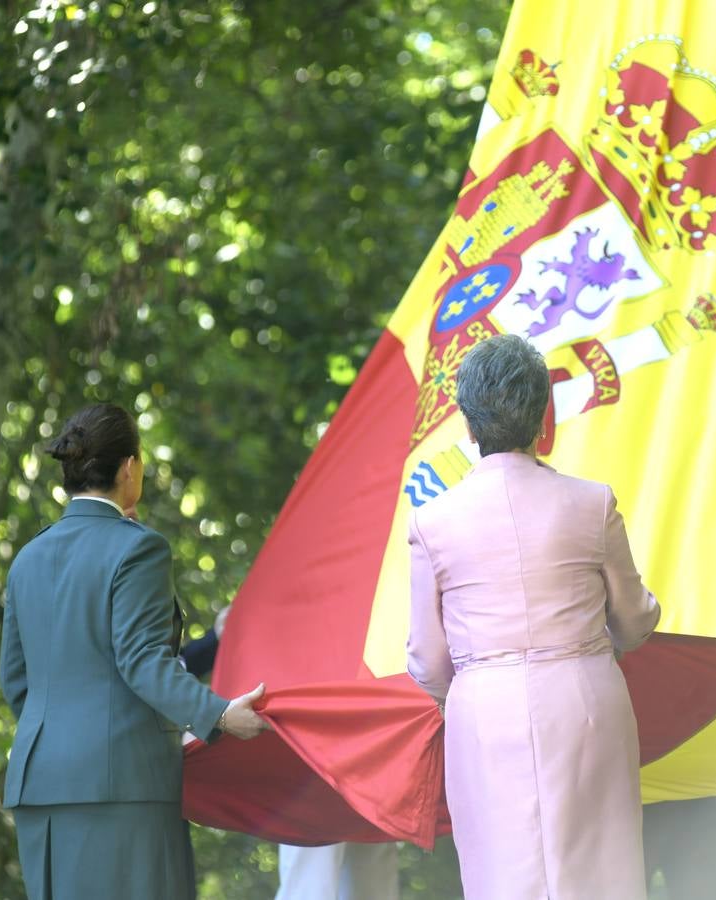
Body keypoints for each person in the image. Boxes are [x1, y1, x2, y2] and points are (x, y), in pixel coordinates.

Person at [406, 333, 662, 899]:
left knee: (504, 874)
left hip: (484, 709)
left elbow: (427, 662)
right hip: (586, 697)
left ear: (467, 427)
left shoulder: (433, 522)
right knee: (602, 873)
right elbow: (635, 622)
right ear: (544, 416)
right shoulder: (593, 503)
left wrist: (481, 677)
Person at [0, 402, 269, 900]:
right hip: (122, 786)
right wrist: (220, 714)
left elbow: (16, 681)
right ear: (130, 468)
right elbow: (142, 660)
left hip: (40, 789)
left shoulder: (28, 557)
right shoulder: (139, 547)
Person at [182, 607, 399, 900]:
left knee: (369, 860)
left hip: (365, 739)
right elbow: (166, 671)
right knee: (316, 868)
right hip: (310, 749)